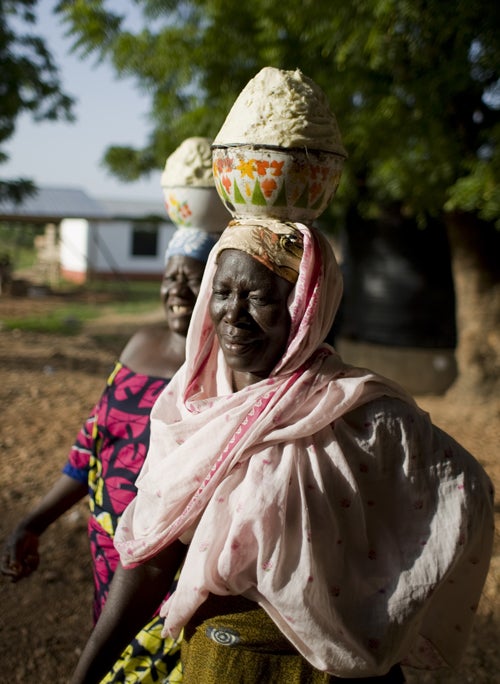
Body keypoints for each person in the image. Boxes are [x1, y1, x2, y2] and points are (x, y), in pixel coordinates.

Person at [70, 218, 494, 684]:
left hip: (340, 669)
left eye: (258, 297)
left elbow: (464, 487)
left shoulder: (363, 414)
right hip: (226, 663)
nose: (233, 314)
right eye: (223, 291)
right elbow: (153, 557)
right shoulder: (191, 410)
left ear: (305, 305)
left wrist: (391, 598)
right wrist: (86, 673)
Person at [1, 227, 218, 683]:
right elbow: (92, 445)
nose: (178, 287)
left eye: (193, 275)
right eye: (170, 275)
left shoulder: (224, 374)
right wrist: (34, 522)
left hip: (170, 568)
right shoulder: (140, 345)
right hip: (108, 552)